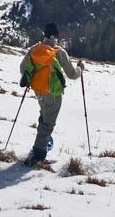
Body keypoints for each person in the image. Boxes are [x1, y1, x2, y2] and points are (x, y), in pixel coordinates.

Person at [20, 22, 83, 165]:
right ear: (56, 36)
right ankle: (38, 156)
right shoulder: (59, 52)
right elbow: (72, 74)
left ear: (45, 34)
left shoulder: (35, 48)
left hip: (38, 90)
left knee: (44, 117)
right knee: (48, 123)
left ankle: (39, 146)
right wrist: (80, 68)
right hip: (53, 94)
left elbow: (22, 68)